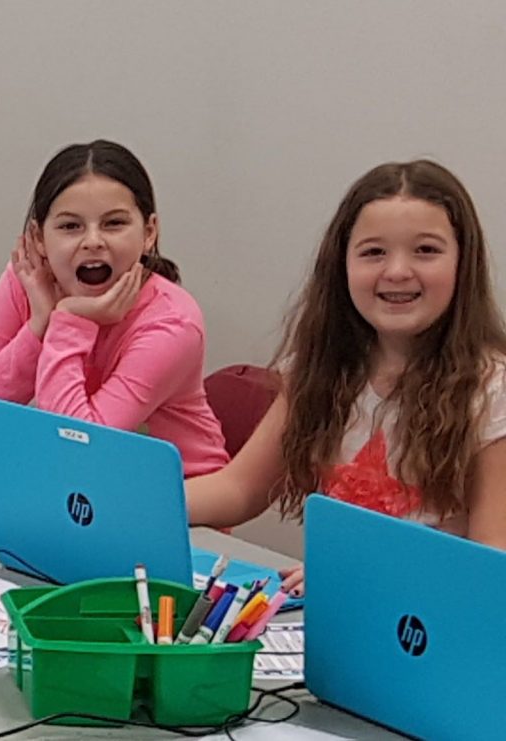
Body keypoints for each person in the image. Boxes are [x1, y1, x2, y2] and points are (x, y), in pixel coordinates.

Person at [186, 160, 506, 595]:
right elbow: (239, 489)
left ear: (463, 263)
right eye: (373, 252)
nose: (396, 271)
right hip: (332, 615)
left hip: (429, 628)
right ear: (342, 265)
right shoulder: (317, 370)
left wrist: (359, 575)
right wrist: (132, 507)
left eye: (426, 250)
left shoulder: (490, 391)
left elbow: (491, 560)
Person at [0, 140, 228, 478]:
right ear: (37, 237)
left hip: (181, 509)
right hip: (77, 497)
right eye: (70, 226)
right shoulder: (29, 281)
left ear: (149, 232)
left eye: (114, 224)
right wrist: (38, 327)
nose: (93, 241)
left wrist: (69, 322)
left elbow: (75, 452)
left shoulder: (174, 323)